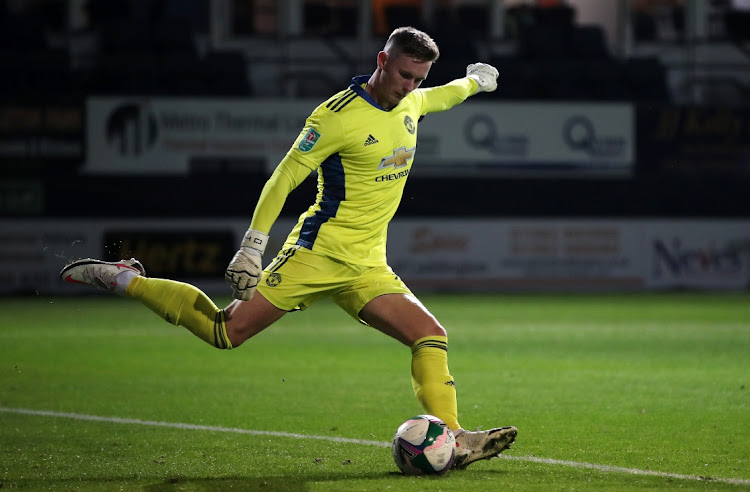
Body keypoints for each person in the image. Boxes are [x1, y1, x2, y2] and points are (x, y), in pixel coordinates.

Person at [61, 26, 516, 469]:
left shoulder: (412, 101)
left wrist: (475, 81)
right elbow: (284, 177)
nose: (410, 86)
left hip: (367, 264)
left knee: (430, 335)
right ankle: (127, 279)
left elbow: (446, 94)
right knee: (226, 333)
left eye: (418, 78)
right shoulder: (335, 116)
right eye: (404, 75)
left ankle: (454, 439)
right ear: (382, 61)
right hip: (315, 255)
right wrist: (253, 246)